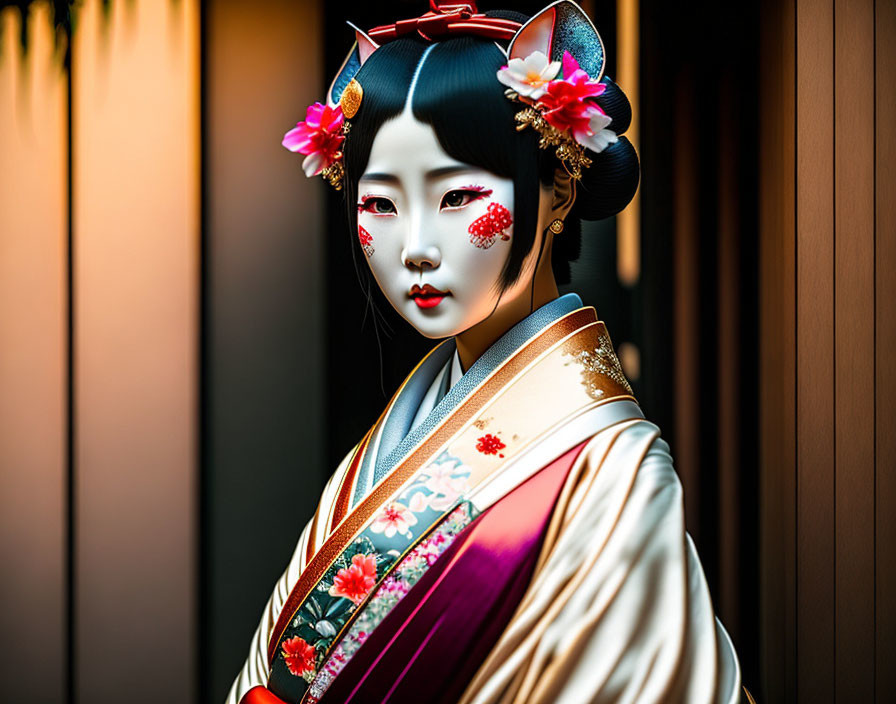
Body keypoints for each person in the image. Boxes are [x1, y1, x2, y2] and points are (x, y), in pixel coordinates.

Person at [227, 2, 741, 702]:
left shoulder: (614, 471)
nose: (415, 247)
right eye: (380, 204)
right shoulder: (405, 430)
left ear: (558, 190)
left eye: (458, 197)